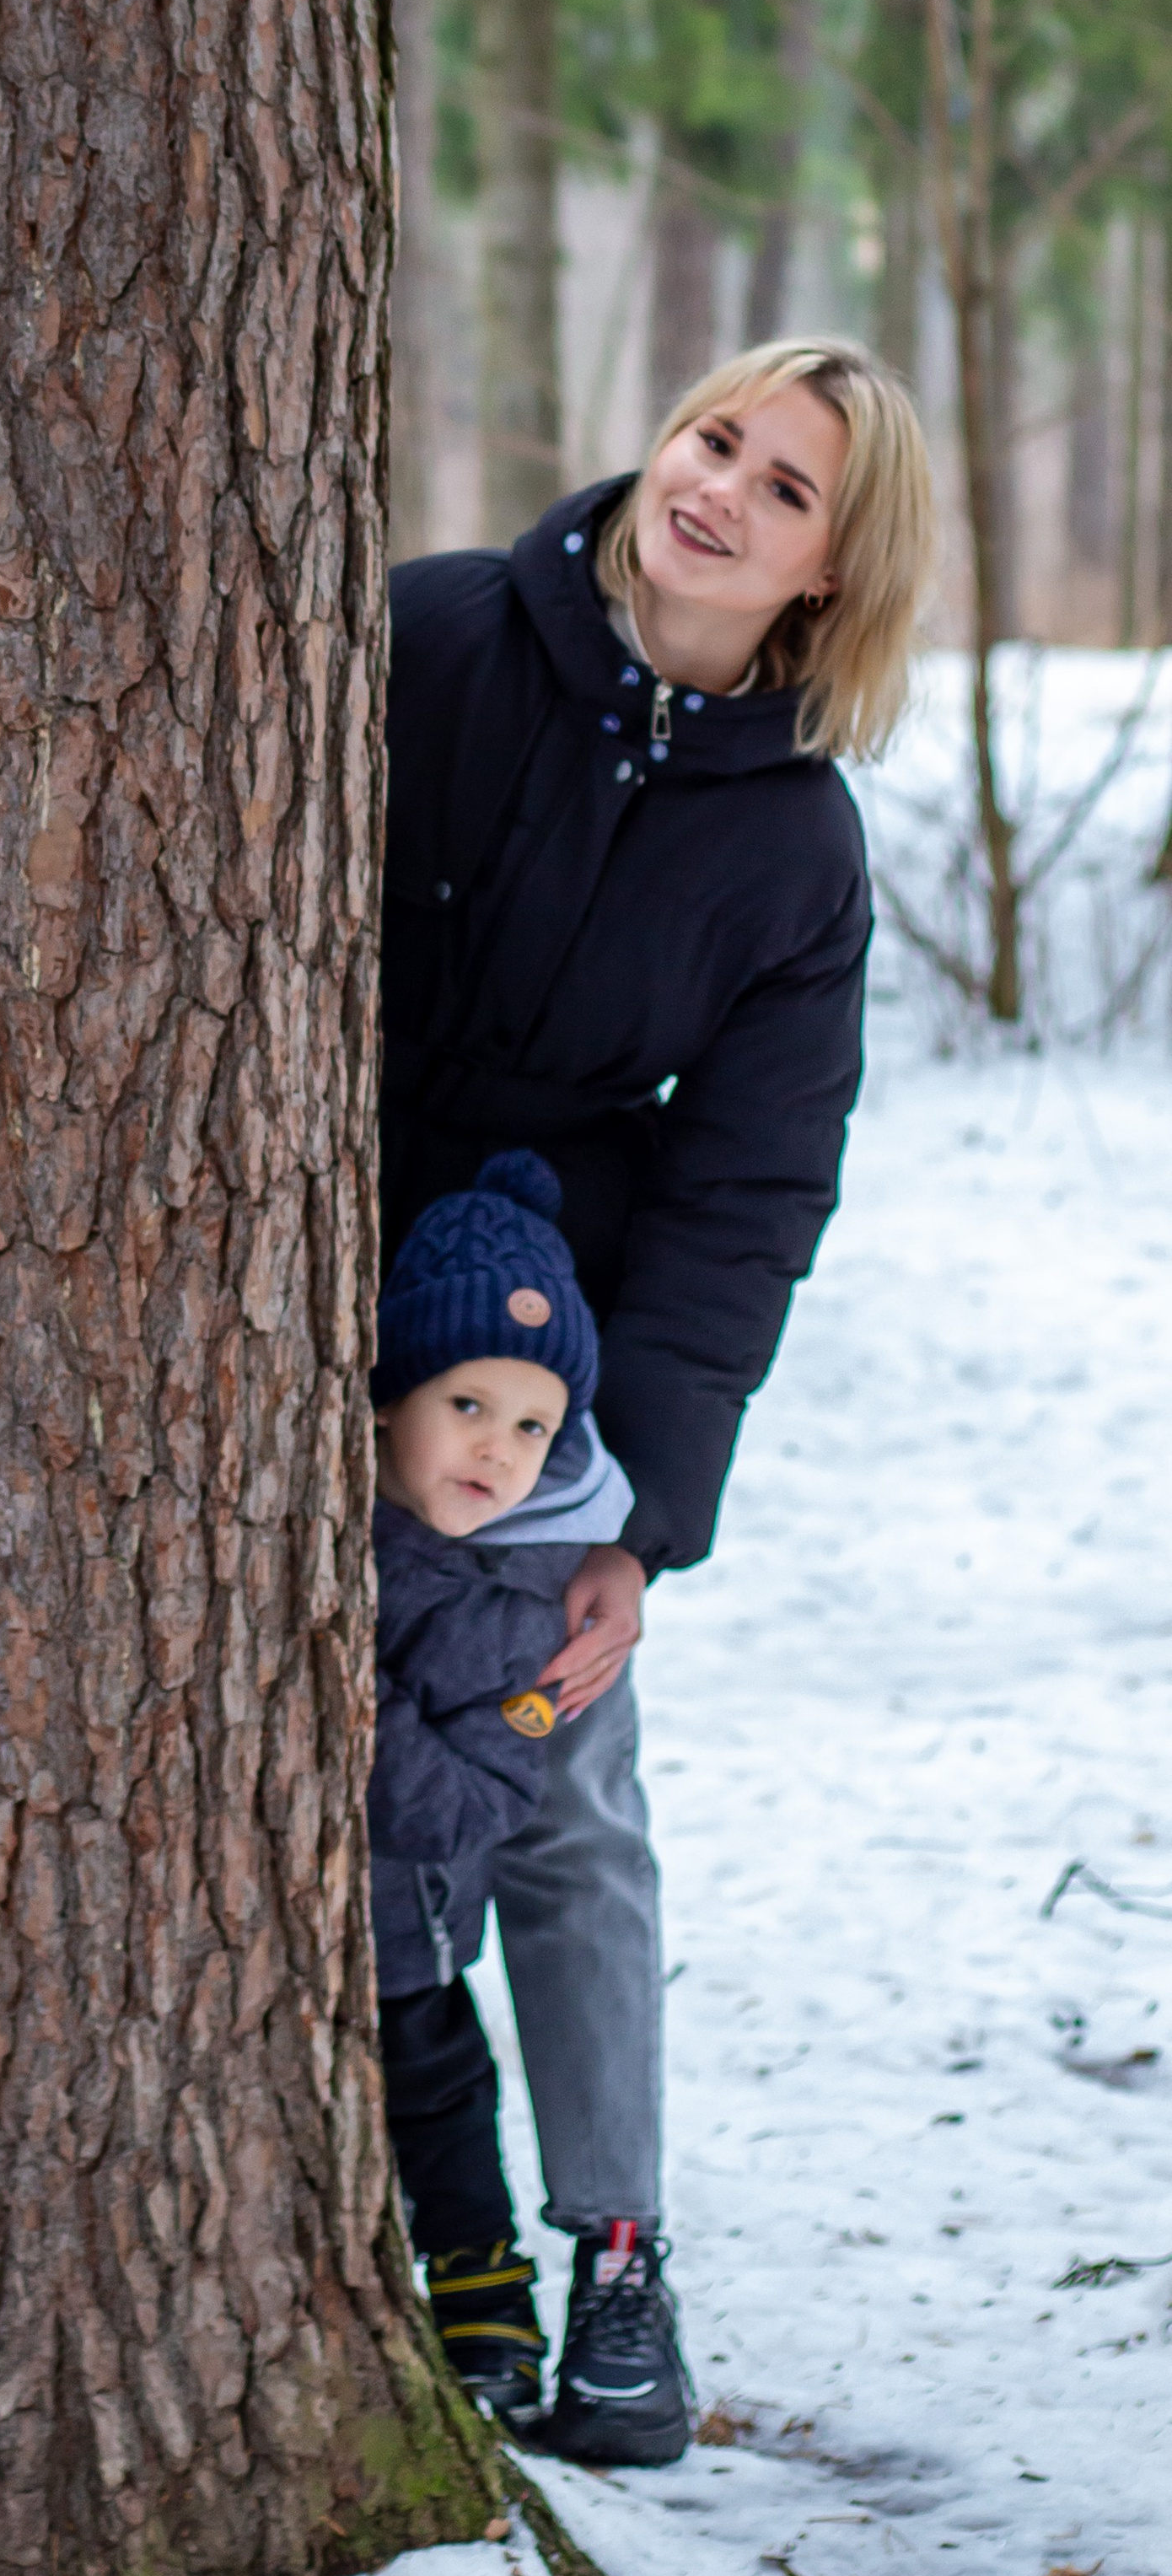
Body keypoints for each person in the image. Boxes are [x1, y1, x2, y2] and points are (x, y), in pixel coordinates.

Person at [381, 339, 938, 2463]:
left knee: (555, 1793)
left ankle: (609, 2249)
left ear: (822, 572)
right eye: (713, 438)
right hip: (264, 1272)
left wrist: (636, 1514)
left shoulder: (793, 849)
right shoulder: (433, 630)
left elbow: (747, 1186)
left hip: (538, 1369)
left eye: (783, 490)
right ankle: (396, 2224)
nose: (716, 491)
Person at [367, 1154, 649, 2432]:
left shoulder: (505, 1602)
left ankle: (483, 2296)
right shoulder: (316, 1519)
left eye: (533, 1427)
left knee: (434, 2095)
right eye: (469, 1404)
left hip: (406, 1929)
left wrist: (346, 1714)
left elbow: (476, 1797)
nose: (498, 1449)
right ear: (387, 1400)